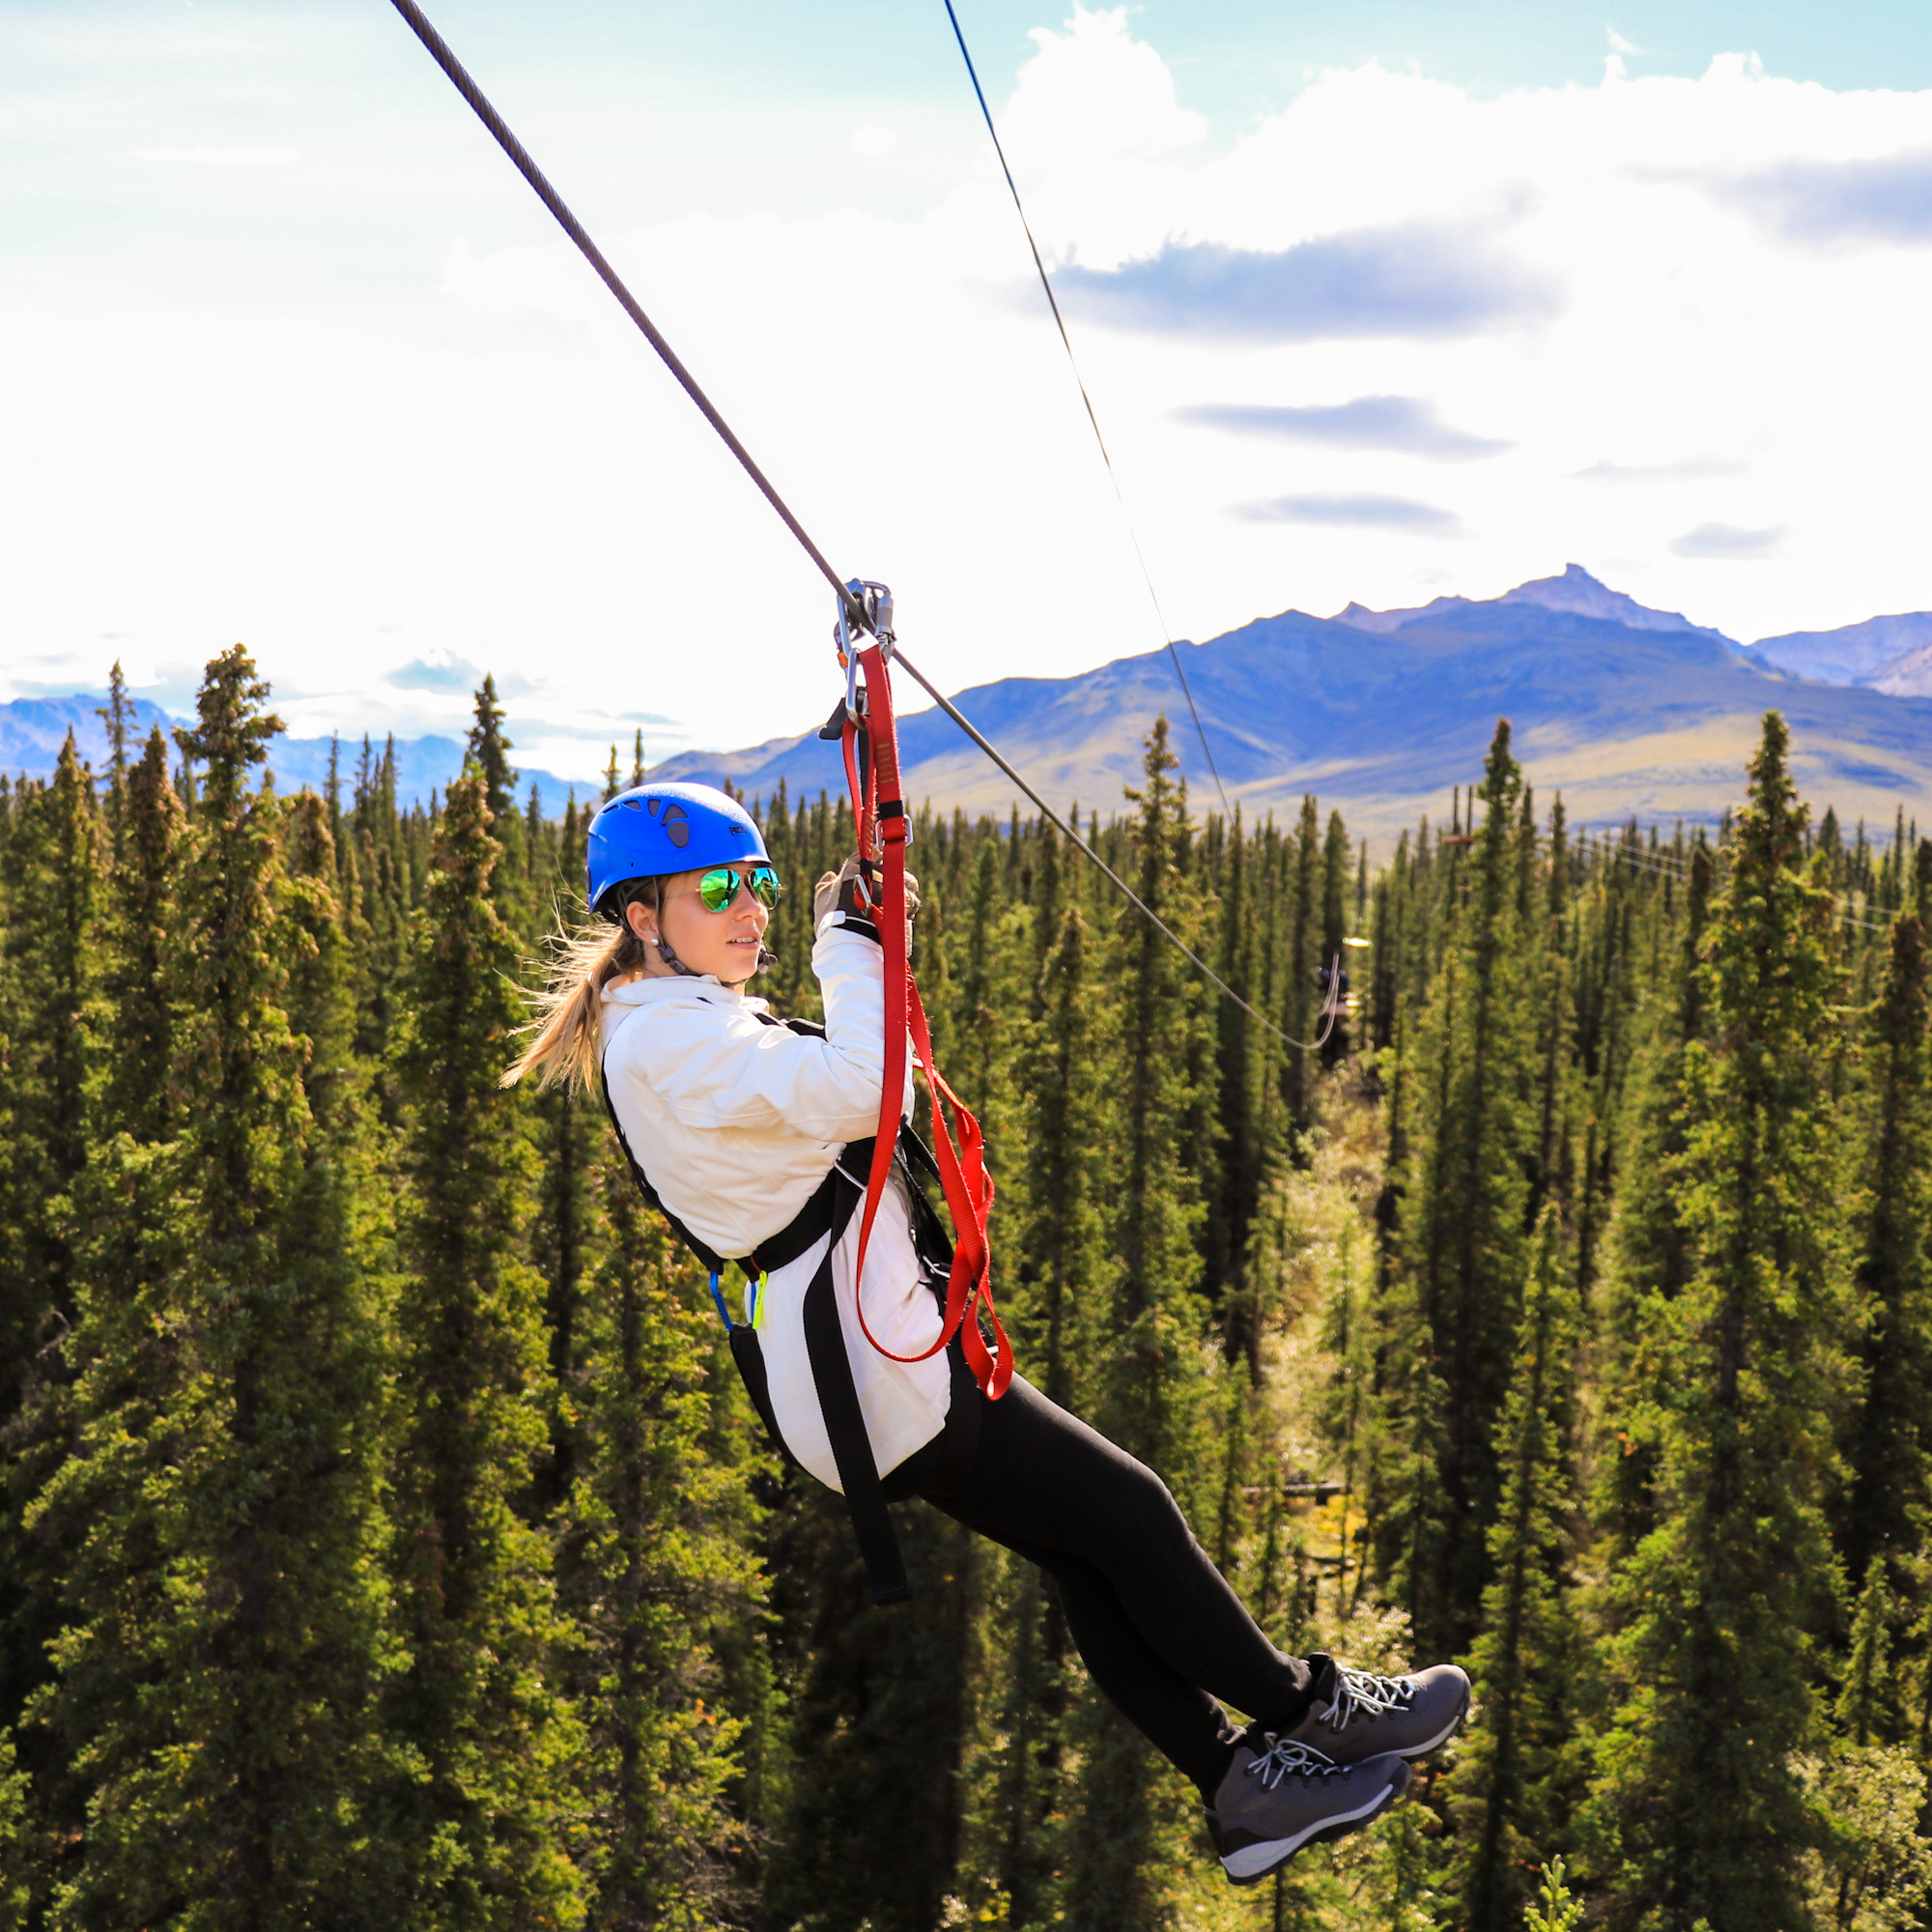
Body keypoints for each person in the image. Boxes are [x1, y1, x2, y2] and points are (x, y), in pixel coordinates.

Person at [505, 781, 1470, 1887]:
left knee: (1087, 1551)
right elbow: (869, 1091)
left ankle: (1241, 1785)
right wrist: (849, 939)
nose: (751, 908)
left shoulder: (678, 1018)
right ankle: (1314, 1710)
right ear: (640, 916)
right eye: (719, 889)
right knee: (1128, 1511)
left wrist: (856, 933)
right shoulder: (668, 1043)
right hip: (879, 1376)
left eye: (760, 884)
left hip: (872, 1361)